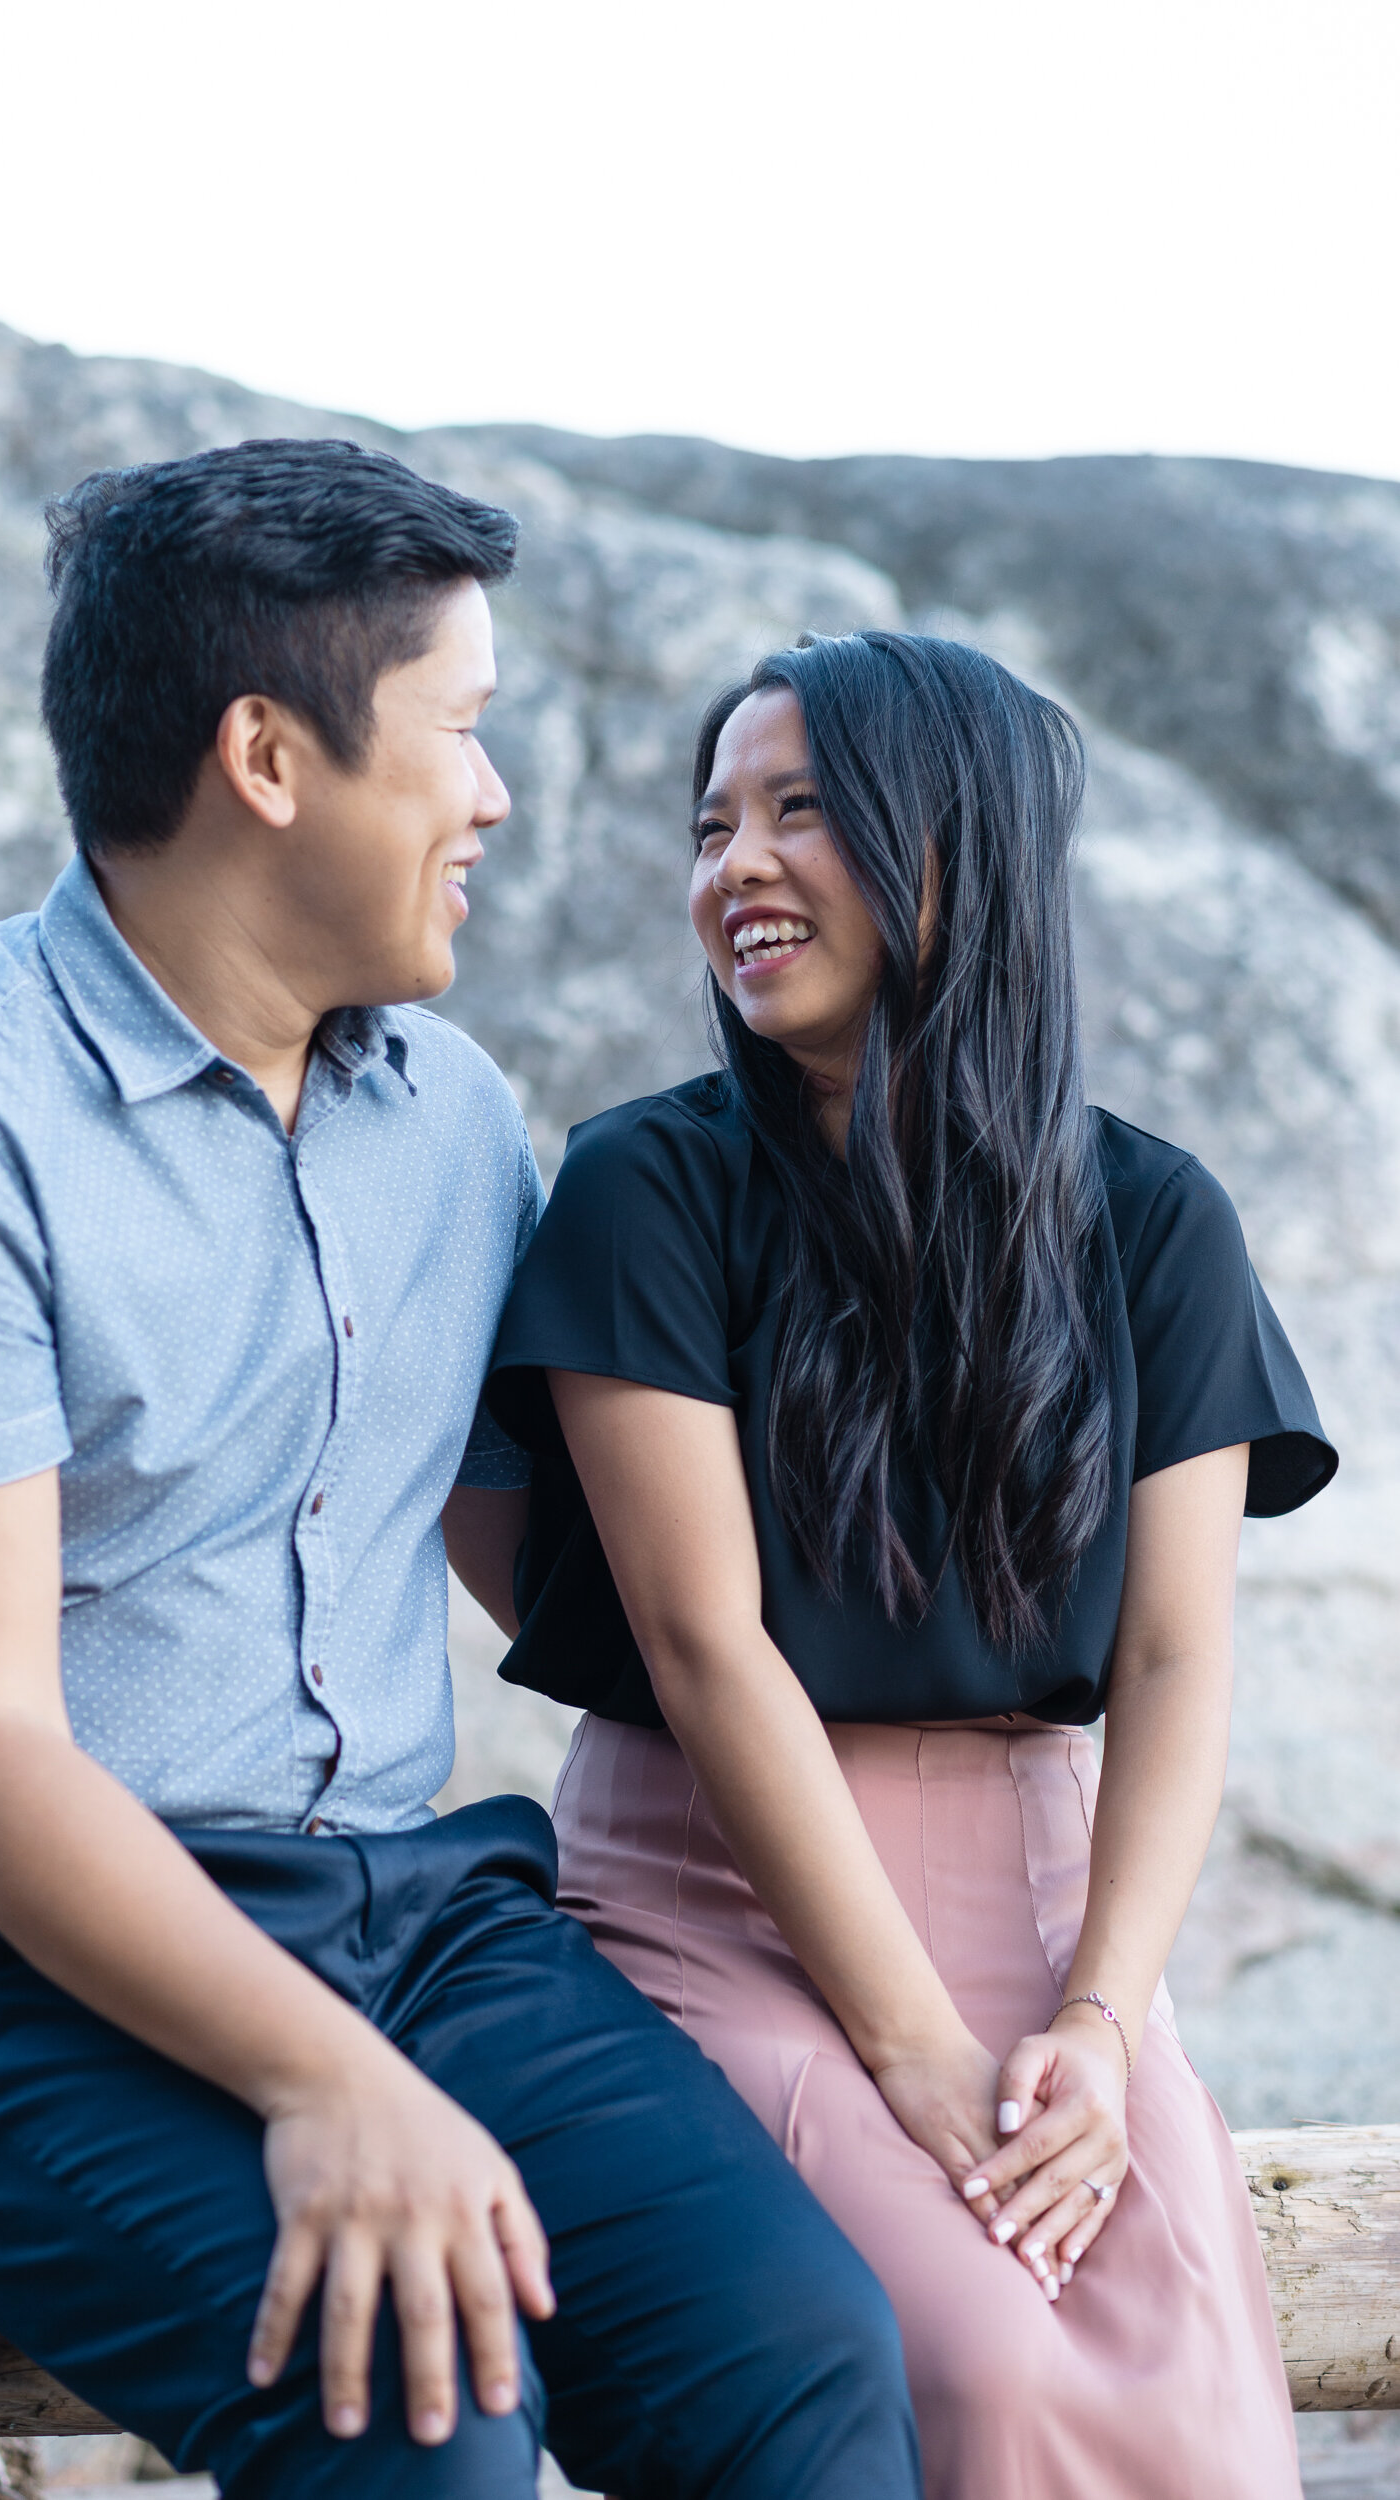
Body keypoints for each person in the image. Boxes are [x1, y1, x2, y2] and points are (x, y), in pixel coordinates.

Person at [0, 445, 923, 2500]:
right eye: (461, 730)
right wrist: (325, 2079)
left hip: (407, 1905)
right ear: (268, 757)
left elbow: (529, 1563)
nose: (496, 796)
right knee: (420, 2416)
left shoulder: (446, 1111)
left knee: (802, 2354)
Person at [483, 630, 1337, 2500]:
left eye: (800, 812)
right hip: (721, 1898)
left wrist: (1104, 2026)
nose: (736, 868)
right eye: (712, 825)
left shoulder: (1154, 1214)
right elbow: (703, 1647)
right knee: (977, 2370)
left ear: (956, 846)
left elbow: (1179, 1663)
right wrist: (909, 2048)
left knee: (1192, 2395)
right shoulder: (651, 1185)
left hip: (1050, 1913)